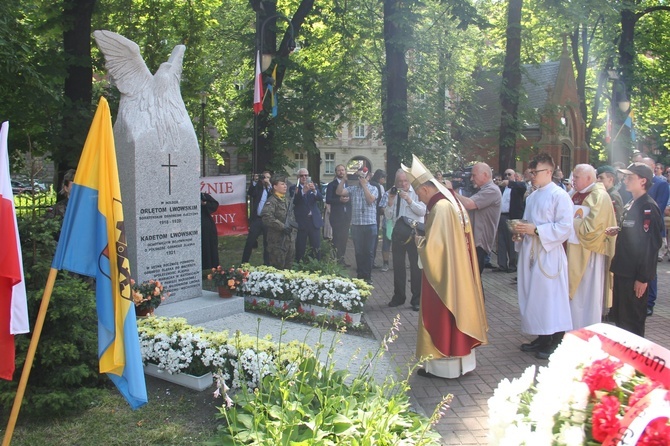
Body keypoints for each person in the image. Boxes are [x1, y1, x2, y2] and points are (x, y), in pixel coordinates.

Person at [402, 155, 487, 378]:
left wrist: (419, 241)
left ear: (427, 188)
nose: (419, 196)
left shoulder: (440, 207)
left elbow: (435, 250)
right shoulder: (452, 202)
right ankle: (461, 362)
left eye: (419, 192)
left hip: (444, 277)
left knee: (441, 315)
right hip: (457, 271)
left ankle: (442, 365)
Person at [514, 153, 573, 360]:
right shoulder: (532, 196)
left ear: (548, 172)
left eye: (535, 172)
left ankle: (556, 339)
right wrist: (520, 231)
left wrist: (537, 230)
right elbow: (529, 222)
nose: (532, 176)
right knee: (534, 296)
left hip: (549, 254)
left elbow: (565, 227)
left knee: (551, 297)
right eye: (531, 172)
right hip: (531, 252)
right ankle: (542, 336)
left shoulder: (560, 195)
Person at [606, 163, 663, 337]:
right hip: (624, 270)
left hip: (634, 275)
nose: (626, 180)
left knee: (632, 323)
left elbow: (650, 245)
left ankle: (635, 361)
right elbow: (635, 233)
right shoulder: (633, 203)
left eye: (630, 177)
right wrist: (620, 229)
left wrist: (643, 278)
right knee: (621, 320)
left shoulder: (648, 207)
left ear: (643, 181)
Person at [566, 164, 617, 329]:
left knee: (587, 295)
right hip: (573, 249)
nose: (573, 181)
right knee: (575, 296)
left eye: (576, 177)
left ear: (588, 178)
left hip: (590, 253)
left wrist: (566, 223)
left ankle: (588, 329)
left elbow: (592, 228)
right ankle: (571, 328)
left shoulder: (599, 196)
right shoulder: (575, 194)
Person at [380, 169, 426, 310]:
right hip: (398, 235)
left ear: (410, 181)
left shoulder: (417, 192)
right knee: (398, 267)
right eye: (399, 181)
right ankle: (399, 297)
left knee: (416, 267)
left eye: (405, 181)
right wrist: (391, 201)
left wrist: (409, 200)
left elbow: (423, 211)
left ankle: (417, 299)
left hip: (415, 235)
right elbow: (388, 216)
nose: (402, 184)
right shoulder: (391, 192)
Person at [449, 162, 501, 274]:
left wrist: (451, 192)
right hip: (474, 242)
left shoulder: (492, 190)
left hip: (479, 244)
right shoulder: (480, 190)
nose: (471, 179)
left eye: (474, 175)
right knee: (471, 282)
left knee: (473, 282)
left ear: (485, 175)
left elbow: (469, 204)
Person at [336, 167, 378, 283]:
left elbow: (370, 200)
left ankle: (368, 276)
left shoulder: (374, 188)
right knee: (359, 251)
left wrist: (364, 185)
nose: (360, 179)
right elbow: (339, 192)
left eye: (363, 177)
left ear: (368, 177)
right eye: (359, 177)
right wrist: (344, 180)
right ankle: (360, 274)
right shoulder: (353, 189)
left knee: (369, 251)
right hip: (356, 225)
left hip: (370, 225)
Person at [640, 157, 668, 315]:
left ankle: (650, 301)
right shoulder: (640, 183)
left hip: (653, 230)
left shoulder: (661, 184)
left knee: (651, 267)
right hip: (639, 232)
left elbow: (660, 206)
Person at [261, 175, 297, 270]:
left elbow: (291, 218)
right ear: (275, 186)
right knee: (278, 269)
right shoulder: (272, 201)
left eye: (285, 184)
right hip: (277, 242)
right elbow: (266, 217)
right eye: (282, 184)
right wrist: (282, 227)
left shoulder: (286, 201)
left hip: (289, 241)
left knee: (289, 269)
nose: (285, 186)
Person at [495, 169, 526, 273]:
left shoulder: (518, 187)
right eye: (506, 174)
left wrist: (511, 183)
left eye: (509, 174)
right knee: (501, 242)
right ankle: (502, 265)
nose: (507, 176)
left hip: (513, 217)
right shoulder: (502, 188)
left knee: (512, 242)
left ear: (514, 176)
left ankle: (513, 265)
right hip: (502, 216)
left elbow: (523, 187)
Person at [290, 168, 323, 262]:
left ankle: (317, 267)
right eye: (301, 175)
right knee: (300, 247)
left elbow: (320, 198)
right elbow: (295, 201)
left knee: (316, 247)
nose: (304, 177)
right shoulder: (294, 188)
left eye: (306, 175)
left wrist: (315, 191)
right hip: (302, 221)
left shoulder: (314, 185)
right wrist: (303, 191)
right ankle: (299, 267)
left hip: (314, 221)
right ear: (298, 177)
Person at [241, 171, 272, 265]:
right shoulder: (258, 187)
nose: (265, 179)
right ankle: (244, 263)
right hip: (257, 219)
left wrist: (269, 184)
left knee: (267, 243)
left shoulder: (271, 189)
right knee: (250, 241)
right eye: (264, 177)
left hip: (267, 219)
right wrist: (254, 181)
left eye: (268, 177)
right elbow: (251, 193)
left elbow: (274, 195)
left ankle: (267, 264)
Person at [325, 164, 351, 265]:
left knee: (344, 238)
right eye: (339, 170)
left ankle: (342, 259)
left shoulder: (349, 184)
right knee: (337, 238)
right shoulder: (332, 185)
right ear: (336, 172)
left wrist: (348, 200)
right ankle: (335, 258)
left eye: (343, 170)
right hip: (336, 216)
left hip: (347, 215)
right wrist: (339, 200)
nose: (341, 172)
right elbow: (328, 199)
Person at [370, 169, 387, 268]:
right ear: (380, 178)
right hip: (375, 214)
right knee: (374, 238)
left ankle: (369, 260)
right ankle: (372, 261)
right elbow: (381, 201)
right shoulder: (378, 186)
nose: (384, 181)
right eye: (383, 178)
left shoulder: (369, 184)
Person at [200, 192, 220, 270]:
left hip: (205, 223)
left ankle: (210, 265)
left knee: (208, 246)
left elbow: (214, 204)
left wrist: (205, 203)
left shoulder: (202, 195)